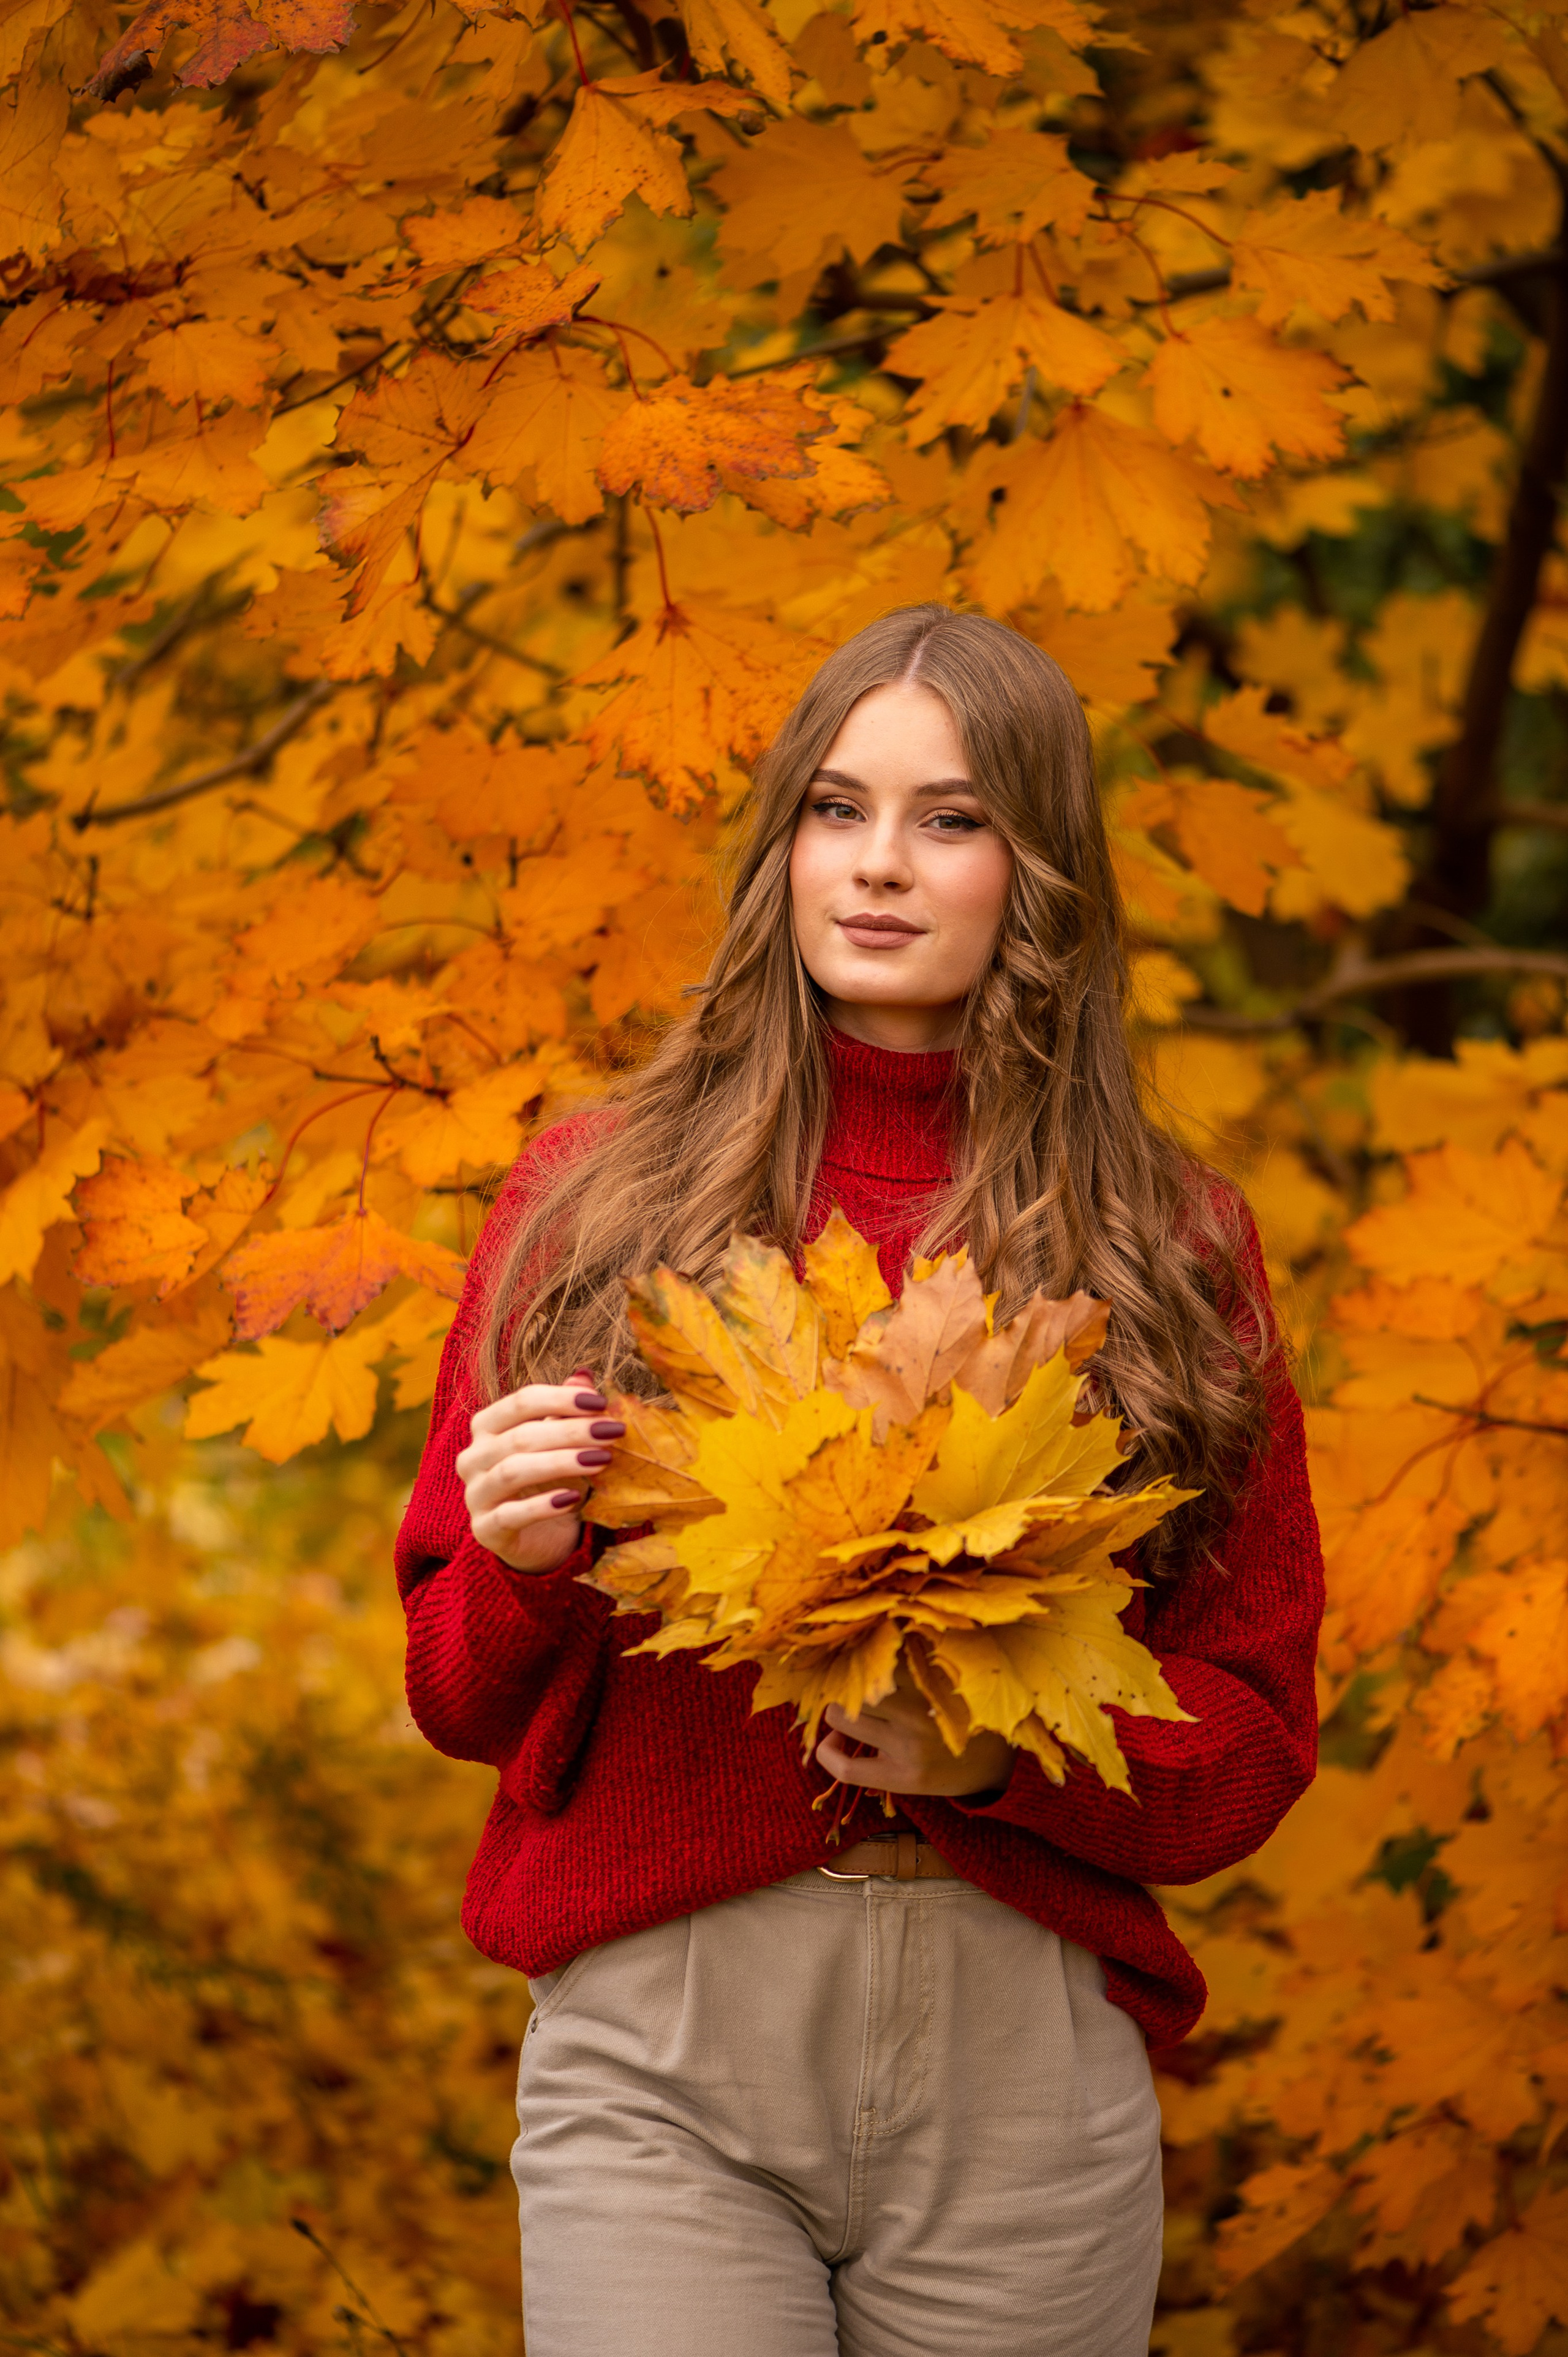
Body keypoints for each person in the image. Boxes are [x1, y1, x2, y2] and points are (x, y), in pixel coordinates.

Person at [394, 605, 1325, 2357]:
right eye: (838, 808)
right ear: (783, 845)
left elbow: (1255, 1739)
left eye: (950, 819)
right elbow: (455, 1695)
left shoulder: (1167, 1244)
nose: (879, 864)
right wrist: (517, 1562)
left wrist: (1010, 1758)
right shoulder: (596, 1201)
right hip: (667, 2043)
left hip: (1023, 2064)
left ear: (1041, 873)